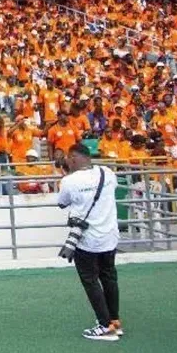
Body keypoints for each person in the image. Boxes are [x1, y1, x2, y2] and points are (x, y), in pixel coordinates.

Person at [58, 142, 122, 342]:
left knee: (90, 281)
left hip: (87, 240)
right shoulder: (108, 173)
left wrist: (64, 177)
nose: (67, 161)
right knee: (109, 277)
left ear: (74, 158)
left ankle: (104, 326)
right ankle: (114, 321)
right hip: (109, 237)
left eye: (69, 158)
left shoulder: (69, 181)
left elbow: (62, 203)